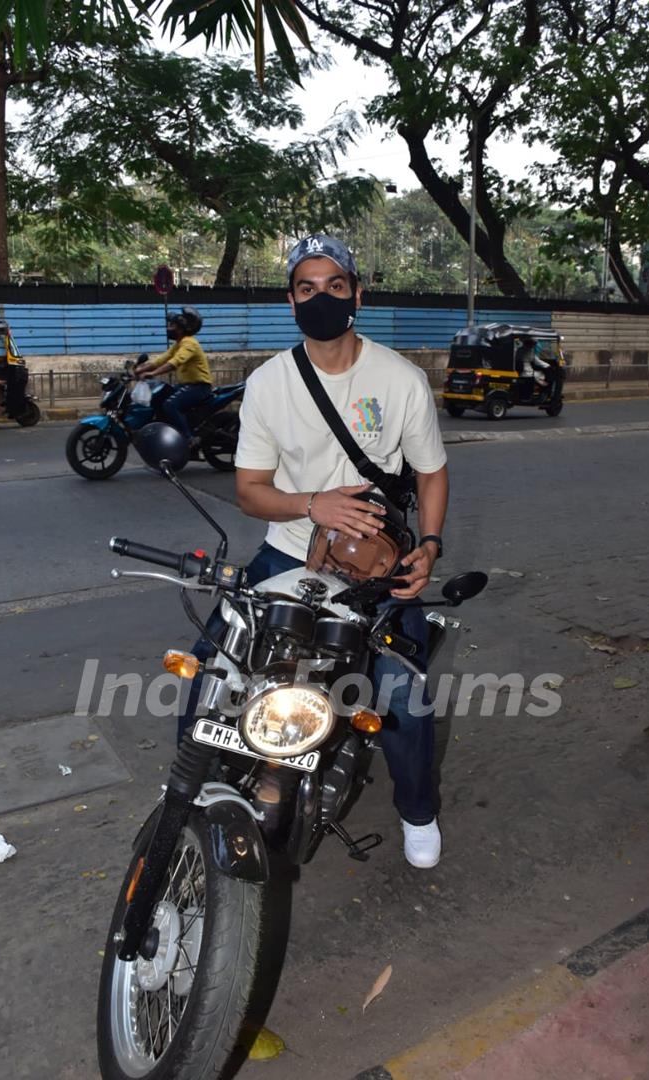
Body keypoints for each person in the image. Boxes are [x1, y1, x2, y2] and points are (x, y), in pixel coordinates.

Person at [178, 234, 449, 869]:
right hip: (287, 553)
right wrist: (311, 505)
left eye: (334, 285)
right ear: (291, 299)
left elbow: (431, 472)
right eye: (307, 288)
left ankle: (418, 811)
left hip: (370, 565)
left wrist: (430, 547)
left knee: (403, 697)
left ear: (358, 292)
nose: (321, 297)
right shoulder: (270, 383)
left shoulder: (401, 380)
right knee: (205, 674)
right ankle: (188, 794)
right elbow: (249, 492)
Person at [135, 307, 212, 440]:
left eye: (172, 326)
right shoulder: (178, 344)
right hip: (186, 386)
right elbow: (161, 359)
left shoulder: (189, 343)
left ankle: (188, 439)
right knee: (160, 395)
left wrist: (153, 373)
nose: (169, 328)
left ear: (181, 329)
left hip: (199, 387)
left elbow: (174, 362)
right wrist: (141, 369)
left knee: (170, 404)